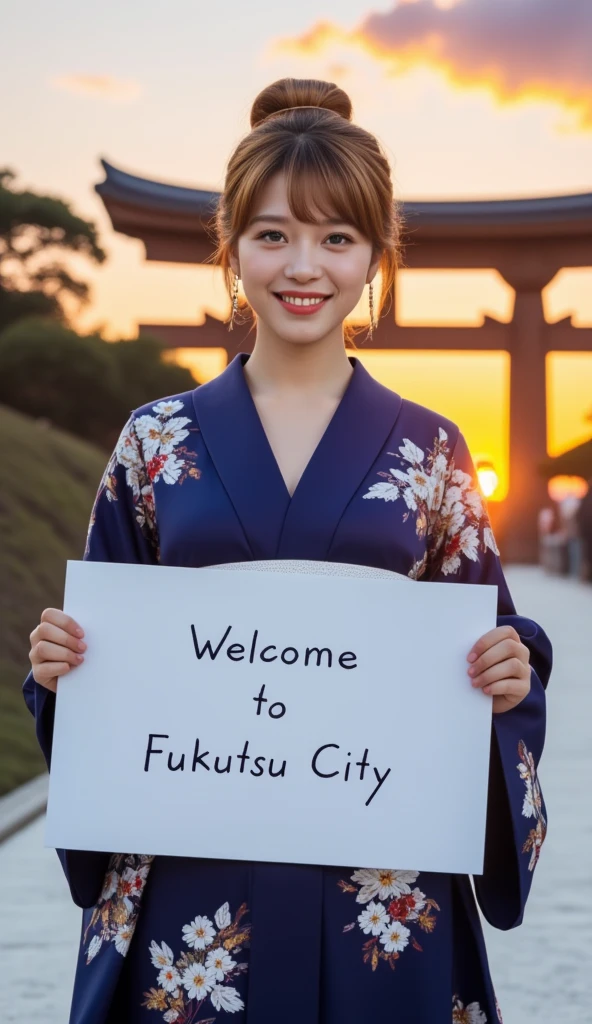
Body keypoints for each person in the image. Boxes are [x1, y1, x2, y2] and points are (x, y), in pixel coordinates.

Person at [23, 77, 551, 1024]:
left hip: (380, 882)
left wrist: (509, 672)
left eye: (337, 238)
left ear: (375, 257)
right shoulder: (156, 440)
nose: (303, 265)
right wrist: (64, 667)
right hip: (191, 872)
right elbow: (105, 649)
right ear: (229, 249)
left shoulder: (431, 451)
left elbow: (493, 639)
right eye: (272, 234)